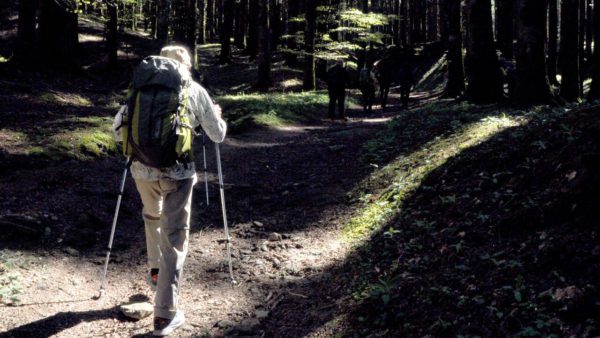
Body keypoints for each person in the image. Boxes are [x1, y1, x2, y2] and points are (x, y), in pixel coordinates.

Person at [113, 45, 227, 336]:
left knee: (152, 217)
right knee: (174, 237)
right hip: (178, 173)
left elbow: (117, 129)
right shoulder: (193, 89)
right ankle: (165, 314)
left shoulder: (140, 87)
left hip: (141, 171)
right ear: (186, 66)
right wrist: (216, 115)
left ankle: (155, 272)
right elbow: (217, 134)